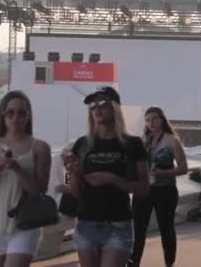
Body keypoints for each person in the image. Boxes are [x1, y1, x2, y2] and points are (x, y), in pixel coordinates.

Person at [66, 86, 149, 267]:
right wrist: (73, 173)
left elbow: (144, 188)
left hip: (118, 223)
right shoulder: (82, 144)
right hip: (86, 222)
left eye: (102, 104)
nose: (97, 110)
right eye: (93, 106)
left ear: (115, 108)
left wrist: (114, 180)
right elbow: (73, 190)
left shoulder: (132, 144)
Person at [0, 91, 52, 267]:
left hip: (24, 226)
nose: (15, 117)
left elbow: (39, 192)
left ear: (28, 116)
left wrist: (17, 168)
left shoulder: (40, 147)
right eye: (10, 112)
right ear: (3, 114)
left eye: (21, 113)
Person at [130, 107, 188, 267]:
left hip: (165, 191)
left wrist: (165, 172)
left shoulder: (171, 140)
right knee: (138, 229)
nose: (151, 123)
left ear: (162, 119)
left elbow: (183, 168)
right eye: (148, 120)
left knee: (166, 229)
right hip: (143, 190)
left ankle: (169, 263)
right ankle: (133, 262)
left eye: (154, 119)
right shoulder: (142, 140)